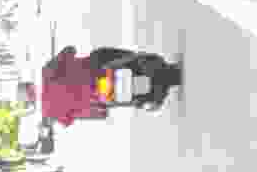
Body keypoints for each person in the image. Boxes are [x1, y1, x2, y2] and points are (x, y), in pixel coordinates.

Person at [35, 40, 176, 124]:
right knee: (105, 53)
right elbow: (70, 49)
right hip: (96, 66)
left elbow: (77, 117)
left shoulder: (51, 112)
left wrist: (99, 113)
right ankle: (141, 59)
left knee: (114, 101)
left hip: (99, 95)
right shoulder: (46, 71)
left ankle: (146, 100)